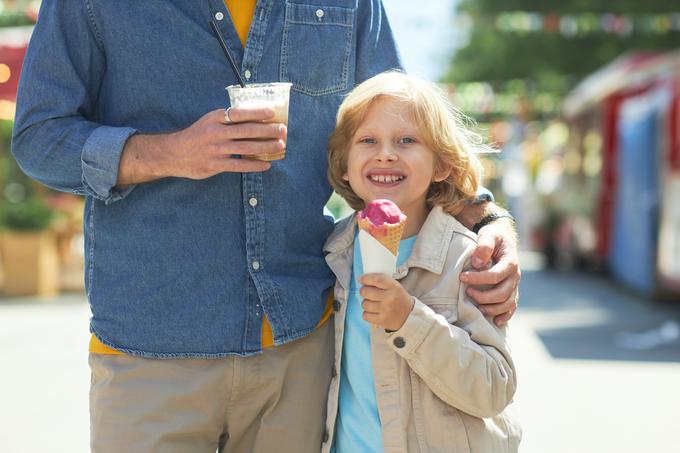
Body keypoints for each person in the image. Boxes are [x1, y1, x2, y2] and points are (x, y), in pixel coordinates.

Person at [11, 1, 519, 452]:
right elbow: (39, 137)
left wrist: (491, 219)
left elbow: (403, 120)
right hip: (151, 347)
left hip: (300, 350)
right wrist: (169, 153)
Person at [323, 71, 522, 452]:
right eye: (367, 140)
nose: (385, 153)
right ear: (344, 164)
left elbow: (494, 388)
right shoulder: (332, 253)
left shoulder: (467, 257)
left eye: (407, 141)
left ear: (442, 166)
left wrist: (409, 320)